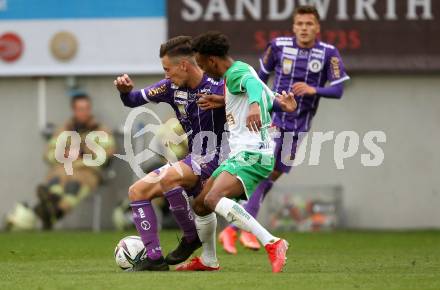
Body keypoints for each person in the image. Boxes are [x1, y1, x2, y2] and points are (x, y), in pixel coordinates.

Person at [219, 5, 350, 254]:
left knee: (269, 179)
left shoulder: (328, 53)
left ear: (317, 27)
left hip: (299, 126)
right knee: (262, 174)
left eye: (309, 24)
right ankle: (240, 229)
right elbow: (258, 78)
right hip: (275, 119)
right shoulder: (278, 46)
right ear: (293, 26)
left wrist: (315, 90)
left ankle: (236, 228)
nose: (304, 28)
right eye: (300, 24)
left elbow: (339, 89)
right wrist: (253, 105)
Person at [174, 31, 296, 273]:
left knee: (212, 199)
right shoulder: (240, 71)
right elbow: (268, 96)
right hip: (241, 155)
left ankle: (273, 242)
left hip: (253, 155)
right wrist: (282, 105)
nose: (204, 71)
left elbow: (253, 88)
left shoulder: (236, 74)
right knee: (200, 205)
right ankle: (208, 260)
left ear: (211, 60)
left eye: (201, 64)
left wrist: (252, 106)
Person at [114, 36, 226, 271]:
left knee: (168, 177)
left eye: (167, 69)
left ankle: (190, 237)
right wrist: (125, 92)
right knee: (137, 191)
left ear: (184, 65)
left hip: (217, 160)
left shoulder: (219, 87)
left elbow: (261, 99)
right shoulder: (170, 87)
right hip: (192, 159)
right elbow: (134, 100)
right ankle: (154, 259)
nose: (165, 75)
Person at [5, 93, 116, 231]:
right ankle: (52, 205)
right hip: (64, 167)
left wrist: (82, 154)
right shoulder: (63, 130)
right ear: (74, 110)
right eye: (80, 109)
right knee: (56, 179)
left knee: (74, 184)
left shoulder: (102, 130)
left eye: (86, 108)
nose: (84, 112)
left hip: (88, 170)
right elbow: (48, 154)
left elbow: (106, 155)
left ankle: (54, 211)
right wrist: (61, 154)